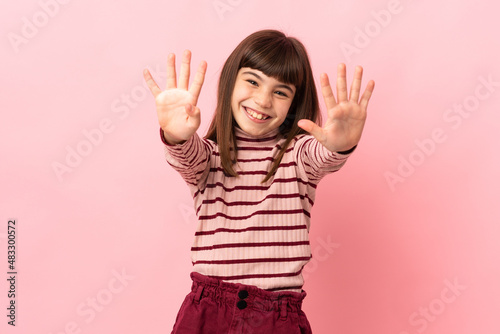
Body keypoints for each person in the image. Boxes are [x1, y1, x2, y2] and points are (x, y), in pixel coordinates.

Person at [143, 29, 374, 334]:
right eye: (252, 81)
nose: (263, 100)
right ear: (230, 82)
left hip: (276, 317)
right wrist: (175, 133)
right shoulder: (209, 157)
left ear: (293, 103)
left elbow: (324, 157)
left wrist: (340, 145)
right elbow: (185, 155)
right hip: (208, 311)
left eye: (281, 92)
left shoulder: (297, 156)